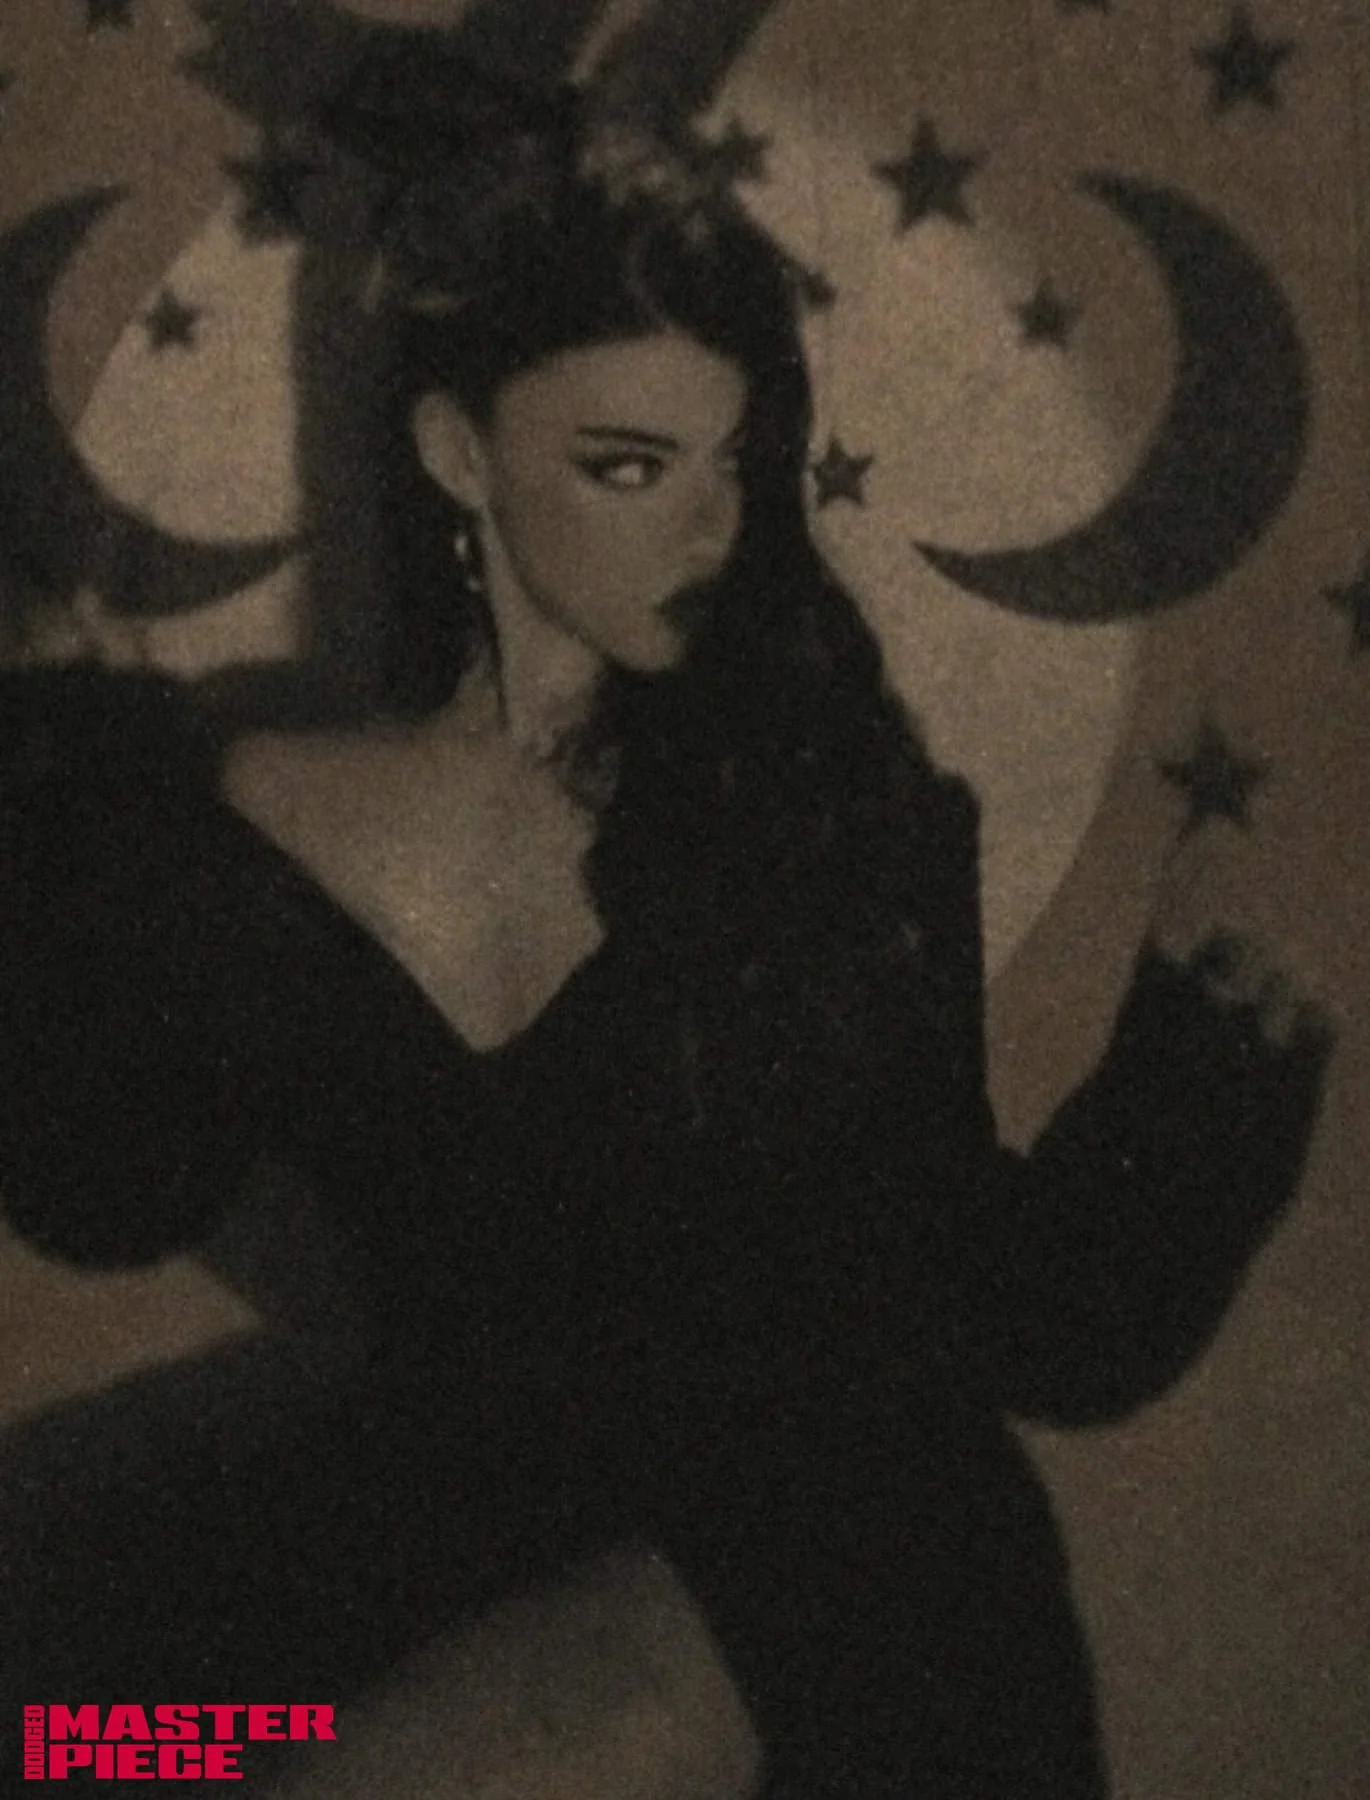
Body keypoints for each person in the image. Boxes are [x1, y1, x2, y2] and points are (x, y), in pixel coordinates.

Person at [0, 61, 1334, 1800]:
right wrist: (73, 789)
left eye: (730, 459)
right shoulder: (247, 808)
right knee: (93, 1751)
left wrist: (1208, 1053)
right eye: (625, 464)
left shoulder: (831, 809)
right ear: (455, 453)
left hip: (852, 1611)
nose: (707, 524)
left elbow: (1040, 1322)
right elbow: (103, 1185)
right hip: (476, 1561)